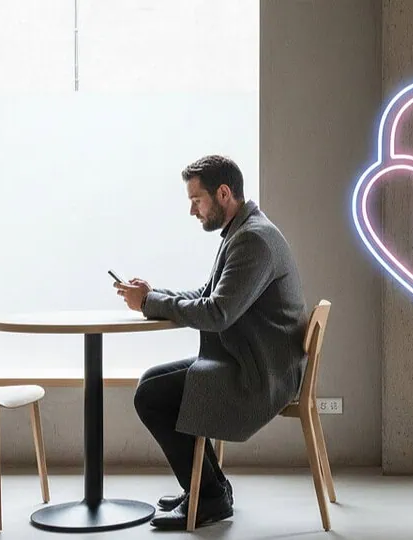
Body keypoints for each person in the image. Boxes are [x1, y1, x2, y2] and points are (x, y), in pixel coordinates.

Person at [115, 155, 308, 530]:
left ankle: (209, 498)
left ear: (223, 194)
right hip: (252, 359)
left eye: (196, 200)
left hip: (261, 374)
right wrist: (153, 295)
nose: (192, 211)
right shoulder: (243, 231)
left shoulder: (252, 240)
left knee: (151, 396)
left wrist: (152, 303)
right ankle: (210, 488)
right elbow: (209, 295)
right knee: (151, 382)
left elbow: (218, 313)